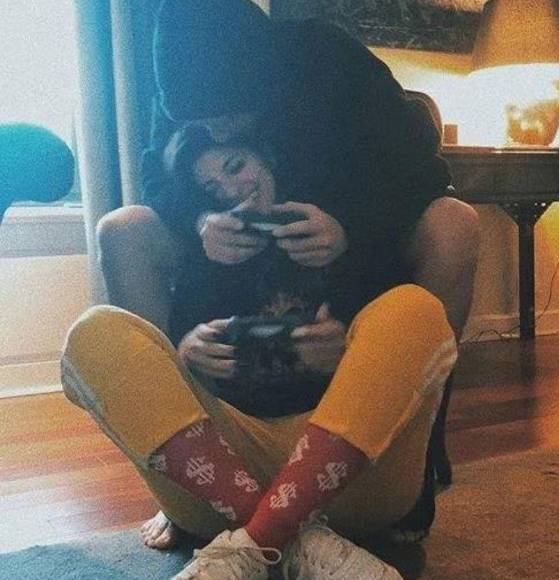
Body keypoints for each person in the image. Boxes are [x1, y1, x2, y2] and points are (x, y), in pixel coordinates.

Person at [97, 0, 479, 560]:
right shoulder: (180, 89)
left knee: (456, 224)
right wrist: (200, 221)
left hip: (355, 236)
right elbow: (158, 180)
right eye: (196, 121)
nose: (212, 130)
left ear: (261, 75)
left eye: (222, 115)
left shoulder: (330, 60)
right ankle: (185, 473)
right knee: (122, 230)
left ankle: (416, 453)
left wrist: (350, 227)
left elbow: (422, 174)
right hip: (231, 261)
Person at [63, 123, 459, 578]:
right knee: (96, 332)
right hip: (219, 481)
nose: (232, 190)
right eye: (212, 188)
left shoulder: (343, 236)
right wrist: (186, 358)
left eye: (236, 166)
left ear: (268, 156)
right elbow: (164, 377)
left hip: (349, 476)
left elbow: (402, 351)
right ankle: (289, 539)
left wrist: (347, 351)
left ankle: (252, 544)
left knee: (414, 309)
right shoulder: (200, 255)